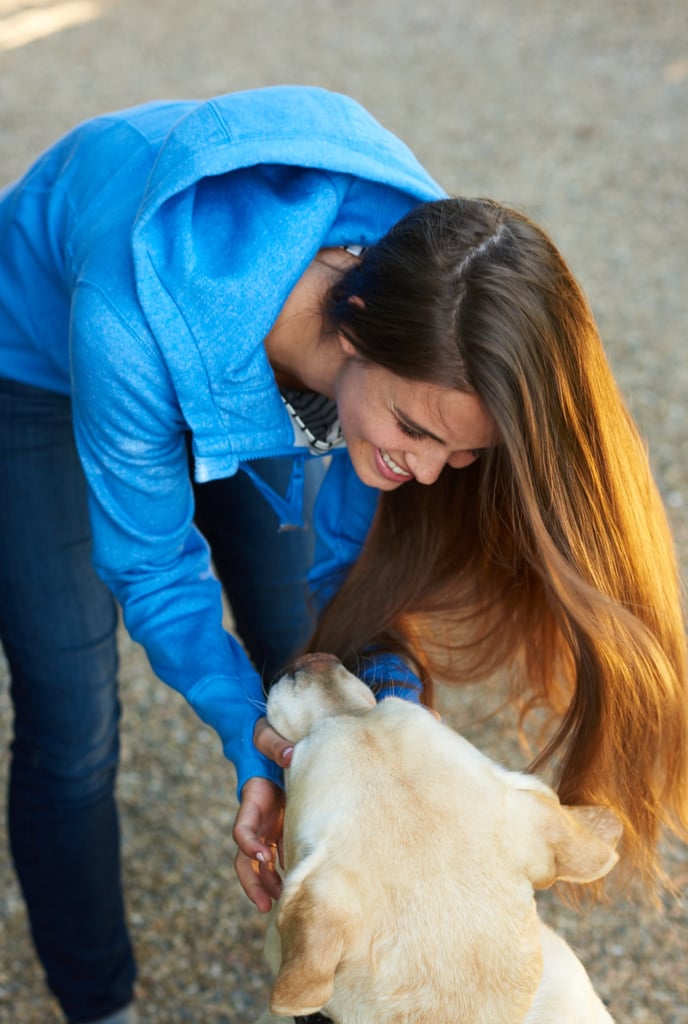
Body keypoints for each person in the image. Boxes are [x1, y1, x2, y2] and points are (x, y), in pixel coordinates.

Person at [0, 85, 685, 1024]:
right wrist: (254, 742)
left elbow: (349, 580)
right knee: (71, 717)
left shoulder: (443, 294)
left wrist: (391, 718)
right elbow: (153, 568)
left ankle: (348, 960)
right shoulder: (124, 318)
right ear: (354, 327)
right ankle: (97, 1002)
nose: (432, 476)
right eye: (411, 430)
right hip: (38, 360)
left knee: (304, 642)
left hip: (262, 355)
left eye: (463, 454)